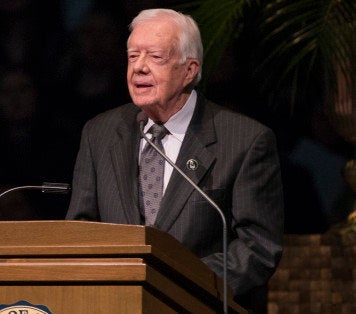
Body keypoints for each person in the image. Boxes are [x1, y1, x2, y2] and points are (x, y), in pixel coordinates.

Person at [65, 8, 284, 313]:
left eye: (155, 57)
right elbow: (81, 231)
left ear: (190, 70)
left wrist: (174, 280)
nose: (139, 68)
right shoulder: (100, 133)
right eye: (132, 57)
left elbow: (258, 248)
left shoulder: (245, 141)